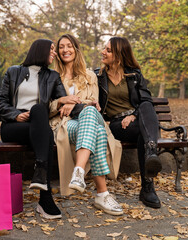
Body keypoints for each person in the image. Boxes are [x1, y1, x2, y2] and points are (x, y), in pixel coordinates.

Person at [0, 39, 79, 219]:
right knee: (46, 134)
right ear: (40, 50)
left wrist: (80, 103)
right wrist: (15, 114)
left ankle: (41, 174)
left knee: (39, 110)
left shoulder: (53, 76)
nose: (55, 53)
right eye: (51, 49)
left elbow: (61, 100)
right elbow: (1, 101)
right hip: (13, 126)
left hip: (38, 124)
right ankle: (45, 198)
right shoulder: (13, 72)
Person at [49, 34, 123, 216]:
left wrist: (73, 103)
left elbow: (94, 103)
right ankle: (102, 194)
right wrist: (61, 101)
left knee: (89, 113)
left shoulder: (90, 76)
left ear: (76, 49)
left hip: (87, 117)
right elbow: (46, 107)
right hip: (65, 125)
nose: (65, 50)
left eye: (69, 46)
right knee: (97, 131)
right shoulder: (51, 76)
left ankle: (78, 172)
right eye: (61, 47)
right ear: (58, 52)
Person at [95, 37, 162, 209]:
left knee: (146, 107)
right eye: (105, 49)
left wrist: (133, 115)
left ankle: (150, 153)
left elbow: (145, 100)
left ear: (119, 55)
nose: (103, 52)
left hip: (138, 121)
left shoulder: (134, 75)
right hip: (117, 125)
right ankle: (148, 185)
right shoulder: (98, 76)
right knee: (144, 131)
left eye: (108, 50)